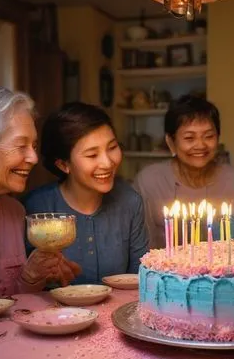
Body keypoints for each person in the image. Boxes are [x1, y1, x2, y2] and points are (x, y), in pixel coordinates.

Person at [24, 102, 147, 284]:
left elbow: (139, 278)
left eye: (112, 147)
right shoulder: (35, 208)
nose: (107, 163)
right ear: (63, 165)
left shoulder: (129, 202)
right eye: (92, 155)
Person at [0, 87, 79, 296]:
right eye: (21, 145)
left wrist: (31, 276)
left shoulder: (15, 212)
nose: (34, 158)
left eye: (34, 145)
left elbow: (11, 303)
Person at [133, 95, 234, 248]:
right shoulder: (149, 182)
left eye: (209, 136)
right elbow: (141, 245)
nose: (200, 145)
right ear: (171, 142)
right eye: (189, 138)